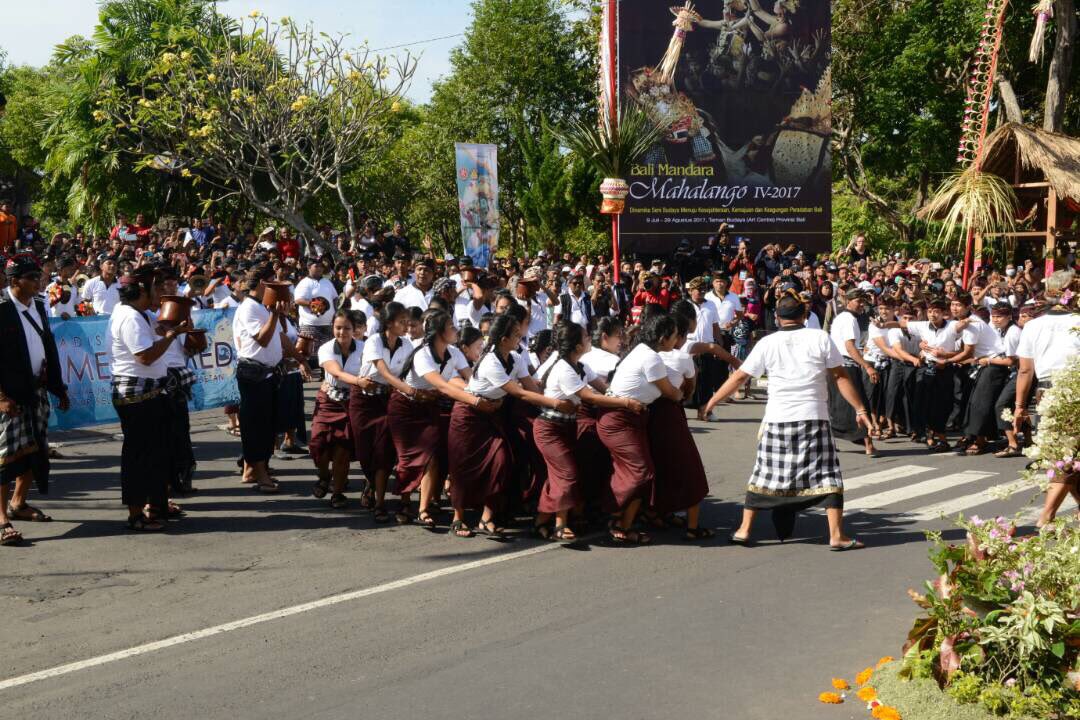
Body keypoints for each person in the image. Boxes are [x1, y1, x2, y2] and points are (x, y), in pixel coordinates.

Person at [704, 292, 869, 550]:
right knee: (827, 477)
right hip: (813, 418)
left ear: (778, 318)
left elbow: (739, 377)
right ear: (804, 315)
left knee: (765, 474)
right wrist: (860, 408)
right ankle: (836, 535)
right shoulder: (820, 337)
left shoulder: (767, 343)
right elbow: (840, 377)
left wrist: (712, 401)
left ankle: (744, 529)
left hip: (777, 419)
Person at [449, 314, 574, 538]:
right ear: (503, 338)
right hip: (469, 415)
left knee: (501, 461)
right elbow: (518, 393)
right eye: (516, 335)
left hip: (492, 414)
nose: (520, 338)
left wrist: (552, 402)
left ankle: (486, 517)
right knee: (463, 467)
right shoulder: (490, 361)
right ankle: (457, 518)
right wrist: (555, 403)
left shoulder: (515, 358)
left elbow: (531, 389)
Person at [533, 321, 639, 541]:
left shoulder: (580, 365)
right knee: (566, 473)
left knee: (559, 474)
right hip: (550, 428)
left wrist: (620, 395)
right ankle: (560, 525)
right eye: (585, 337)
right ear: (576, 345)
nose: (590, 339)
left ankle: (542, 521)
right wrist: (626, 403)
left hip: (568, 426)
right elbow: (588, 396)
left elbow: (603, 388)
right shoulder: (564, 368)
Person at [0, 256, 70, 545]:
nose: (37, 281)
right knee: (5, 457)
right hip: (9, 396)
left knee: (35, 450)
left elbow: (47, 348)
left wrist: (58, 387)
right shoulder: (1, 310)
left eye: (37, 276)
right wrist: (1, 397)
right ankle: (1, 518)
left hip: (37, 390)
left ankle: (19, 504)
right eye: (30, 277)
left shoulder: (39, 307)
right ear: (15, 281)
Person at [108, 269, 185, 531]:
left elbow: (161, 324)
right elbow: (145, 357)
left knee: (156, 453)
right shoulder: (130, 317)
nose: (159, 293)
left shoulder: (140, 314)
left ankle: (155, 506)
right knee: (139, 455)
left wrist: (171, 327)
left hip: (150, 395)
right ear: (141, 292)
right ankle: (136, 514)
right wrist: (171, 337)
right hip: (137, 398)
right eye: (155, 288)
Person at [600, 313, 683, 545]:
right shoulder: (651, 358)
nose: (677, 341)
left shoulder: (642, 351)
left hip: (629, 418)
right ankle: (614, 514)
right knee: (641, 472)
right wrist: (682, 392)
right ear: (664, 337)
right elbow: (670, 392)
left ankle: (623, 520)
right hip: (620, 419)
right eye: (675, 336)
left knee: (640, 472)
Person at [388, 309, 473, 529]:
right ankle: (404, 502)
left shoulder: (454, 352)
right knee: (407, 458)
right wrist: (475, 401)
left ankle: (423, 508)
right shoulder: (422, 354)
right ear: (438, 332)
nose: (456, 330)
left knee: (431, 456)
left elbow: (471, 378)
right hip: (405, 408)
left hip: (429, 408)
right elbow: (442, 385)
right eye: (451, 327)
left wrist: (483, 390)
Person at [1012, 270, 1080, 526]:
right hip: (1071, 392)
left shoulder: (1033, 325)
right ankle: (1046, 516)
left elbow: (1025, 370)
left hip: (1046, 393)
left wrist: (1020, 406)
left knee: (1065, 455)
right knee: (1067, 457)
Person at [651, 307, 714, 539]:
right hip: (670, 412)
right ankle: (692, 527)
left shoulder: (645, 353)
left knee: (658, 465)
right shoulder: (681, 357)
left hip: (647, 413)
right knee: (690, 469)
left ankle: (657, 513)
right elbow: (690, 389)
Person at [350, 303, 411, 523]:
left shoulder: (407, 344)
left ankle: (380, 503)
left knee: (384, 451)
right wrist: (406, 388)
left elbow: (407, 372)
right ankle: (370, 483)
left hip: (388, 398)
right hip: (364, 400)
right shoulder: (374, 341)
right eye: (402, 321)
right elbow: (383, 370)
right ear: (388, 323)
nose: (407, 325)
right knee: (365, 451)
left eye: (407, 320)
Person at [232, 268, 288, 494]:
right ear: (262, 284)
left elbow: (276, 337)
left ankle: (252, 469)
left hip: (267, 373)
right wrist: (275, 314)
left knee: (266, 425)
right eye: (271, 283)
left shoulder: (260, 307)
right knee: (256, 427)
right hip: (253, 374)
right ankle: (260, 474)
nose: (275, 287)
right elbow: (262, 340)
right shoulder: (249, 308)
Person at [311, 310, 363, 509]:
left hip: (352, 401)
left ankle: (338, 492)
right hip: (328, 399)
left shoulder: (364, 348)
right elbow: (336, 372)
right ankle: (324, 476)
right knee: (319, 445)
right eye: (338, 328)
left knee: (343, 448)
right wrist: (359, 381)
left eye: (347, 328)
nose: (342, 332)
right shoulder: (326, 348)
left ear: (355, 330)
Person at [827, 287, 878, 456]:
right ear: (848, 301)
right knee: (859, 403)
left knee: (836, 406)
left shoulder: (841, 317)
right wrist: (867, 365)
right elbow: (849, 347)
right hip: (846, 366)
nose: (861, 304)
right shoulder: (848, 319)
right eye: (858, 301)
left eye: (863, 301)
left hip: (836, 366)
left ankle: (831, 442)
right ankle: (868, 444)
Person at [294, 259, 339, 358]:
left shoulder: (327, 282)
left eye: (321, 266)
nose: (319, 268)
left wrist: (336, 311)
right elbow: (298, 300)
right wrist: (313, 304)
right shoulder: (304, 283)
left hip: (328, 325)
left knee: (327, 355)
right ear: (309, 267)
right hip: (310, 326)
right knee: (310, 355)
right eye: (316, 266)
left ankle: (325, 373)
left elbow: (335, 298)